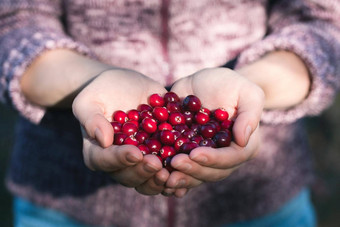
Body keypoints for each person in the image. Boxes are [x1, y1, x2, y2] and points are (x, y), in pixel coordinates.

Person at [0, 0, 339, 226]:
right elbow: (13, 27)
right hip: (63, 205)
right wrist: (92, 83)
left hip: (262, 204)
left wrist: (252, 88)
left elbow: (324, 26)